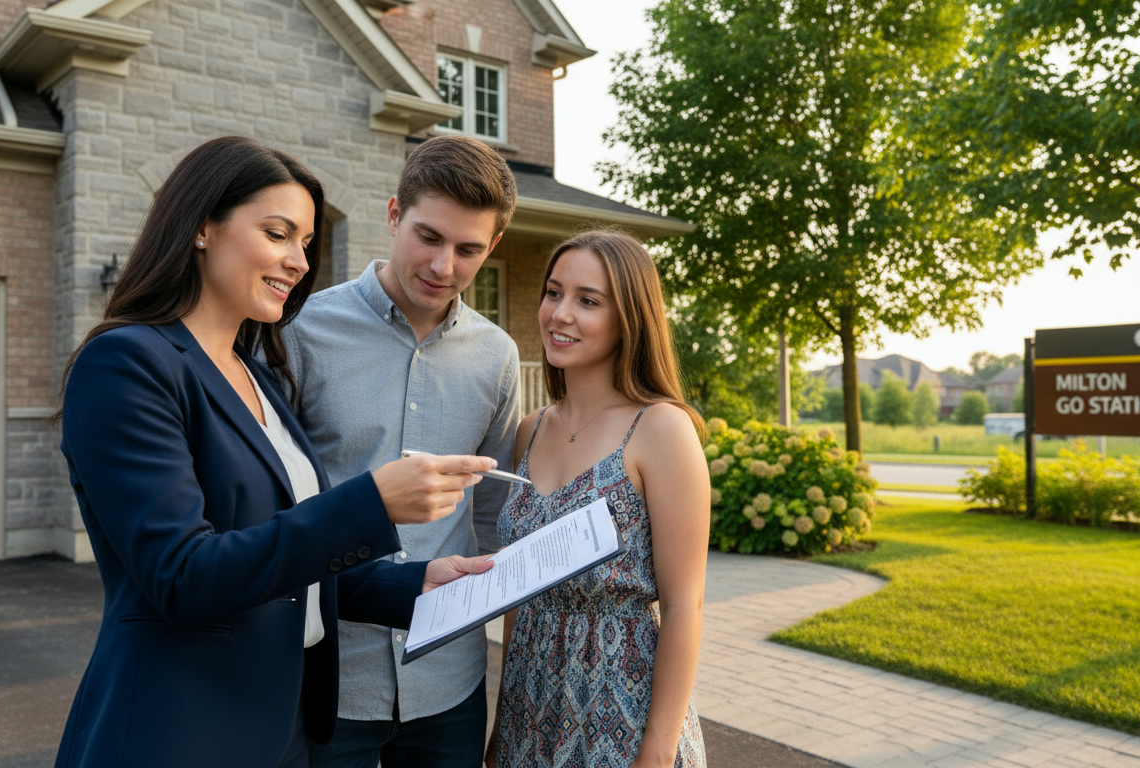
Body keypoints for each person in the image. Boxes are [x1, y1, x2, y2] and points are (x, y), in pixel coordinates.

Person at [54, 136, 498, 768]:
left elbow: (276, 558)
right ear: (204, 227)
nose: (297, 260)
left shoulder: (254, 373)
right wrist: (371, 503)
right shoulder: (127, 363)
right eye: (277, 233)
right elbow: (182, 575)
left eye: (305, 243)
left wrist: (414, 584)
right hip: (179, 728)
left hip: (280, 730)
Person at [283, 135, 522, 768]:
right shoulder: (302, 330)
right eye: (428, 237)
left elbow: (494, 517)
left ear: (492, 247)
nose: (444, 265)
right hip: (334, 678)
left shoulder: (498, 358)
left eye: (469, 249)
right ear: (393, 214)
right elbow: (275, 503)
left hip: (449, 680)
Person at [487, 230, 710, 768]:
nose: (560, 314)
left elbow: (685, 606)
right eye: (553, 292)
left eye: (588, 301)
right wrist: (501, 724)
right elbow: (520, 590)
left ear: (629, 317)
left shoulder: (660, 429)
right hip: (528, 709)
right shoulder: (530, 430)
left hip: (621, 714)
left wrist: (655, 753)